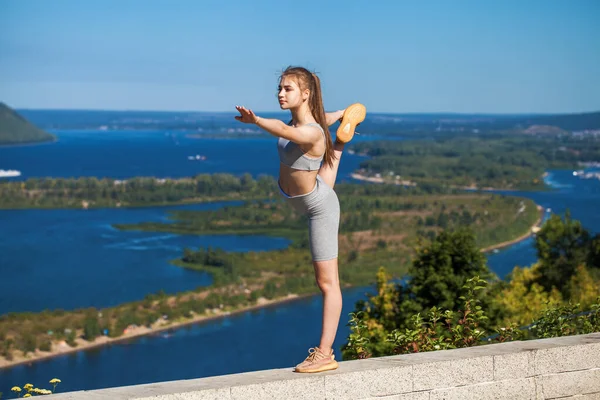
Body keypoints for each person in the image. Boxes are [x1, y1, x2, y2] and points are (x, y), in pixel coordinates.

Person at [235, 66, 366, 373]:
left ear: (305, 94)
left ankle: (324, 353)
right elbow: (320, 118)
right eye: (279, 89)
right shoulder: (311, 122)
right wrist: (341, 113)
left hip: (318, 207)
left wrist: (255, 121)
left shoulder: (308, 132)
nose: (280, 94)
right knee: (322, 180)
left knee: (327, 282)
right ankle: (345, 134)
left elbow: (286, 131)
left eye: (288, 89)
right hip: (308, 194)